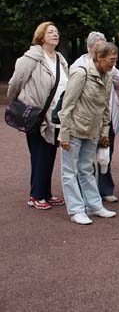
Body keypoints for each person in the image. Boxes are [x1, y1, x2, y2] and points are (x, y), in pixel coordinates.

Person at [8, 22, 69, 210]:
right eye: (51, 32)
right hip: (37, 114)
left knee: (49, 153)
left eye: (57, 32)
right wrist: (20, 101)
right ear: (41, 36)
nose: (55, 35)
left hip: (55, 114)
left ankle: (46, 192)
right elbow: (16, 82)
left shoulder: (59, 58)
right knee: (39, 153)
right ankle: (35, 195)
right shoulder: (31, 57)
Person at [59, 42, 119, 225]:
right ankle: (76, 209)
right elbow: (67, 105)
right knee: (69, 171)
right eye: (111, 60)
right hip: (75, 129)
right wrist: (64, 135)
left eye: (115, 60)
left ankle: (94, 205)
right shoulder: (80, 73)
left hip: (93, 130)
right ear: (99, 57)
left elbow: (105, 106)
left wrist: (104, 132)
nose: (113, 64)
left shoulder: (107, 75)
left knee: (86, 169)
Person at [70, 32, 119, 204]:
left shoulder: (110, 65)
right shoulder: (78, 65)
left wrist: (113, 69)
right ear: (92, 48)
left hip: (106, 117)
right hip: (86, 119)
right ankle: (86, 192)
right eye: (101, 47)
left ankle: (105, 189)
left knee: (106, 154)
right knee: (84, 158)